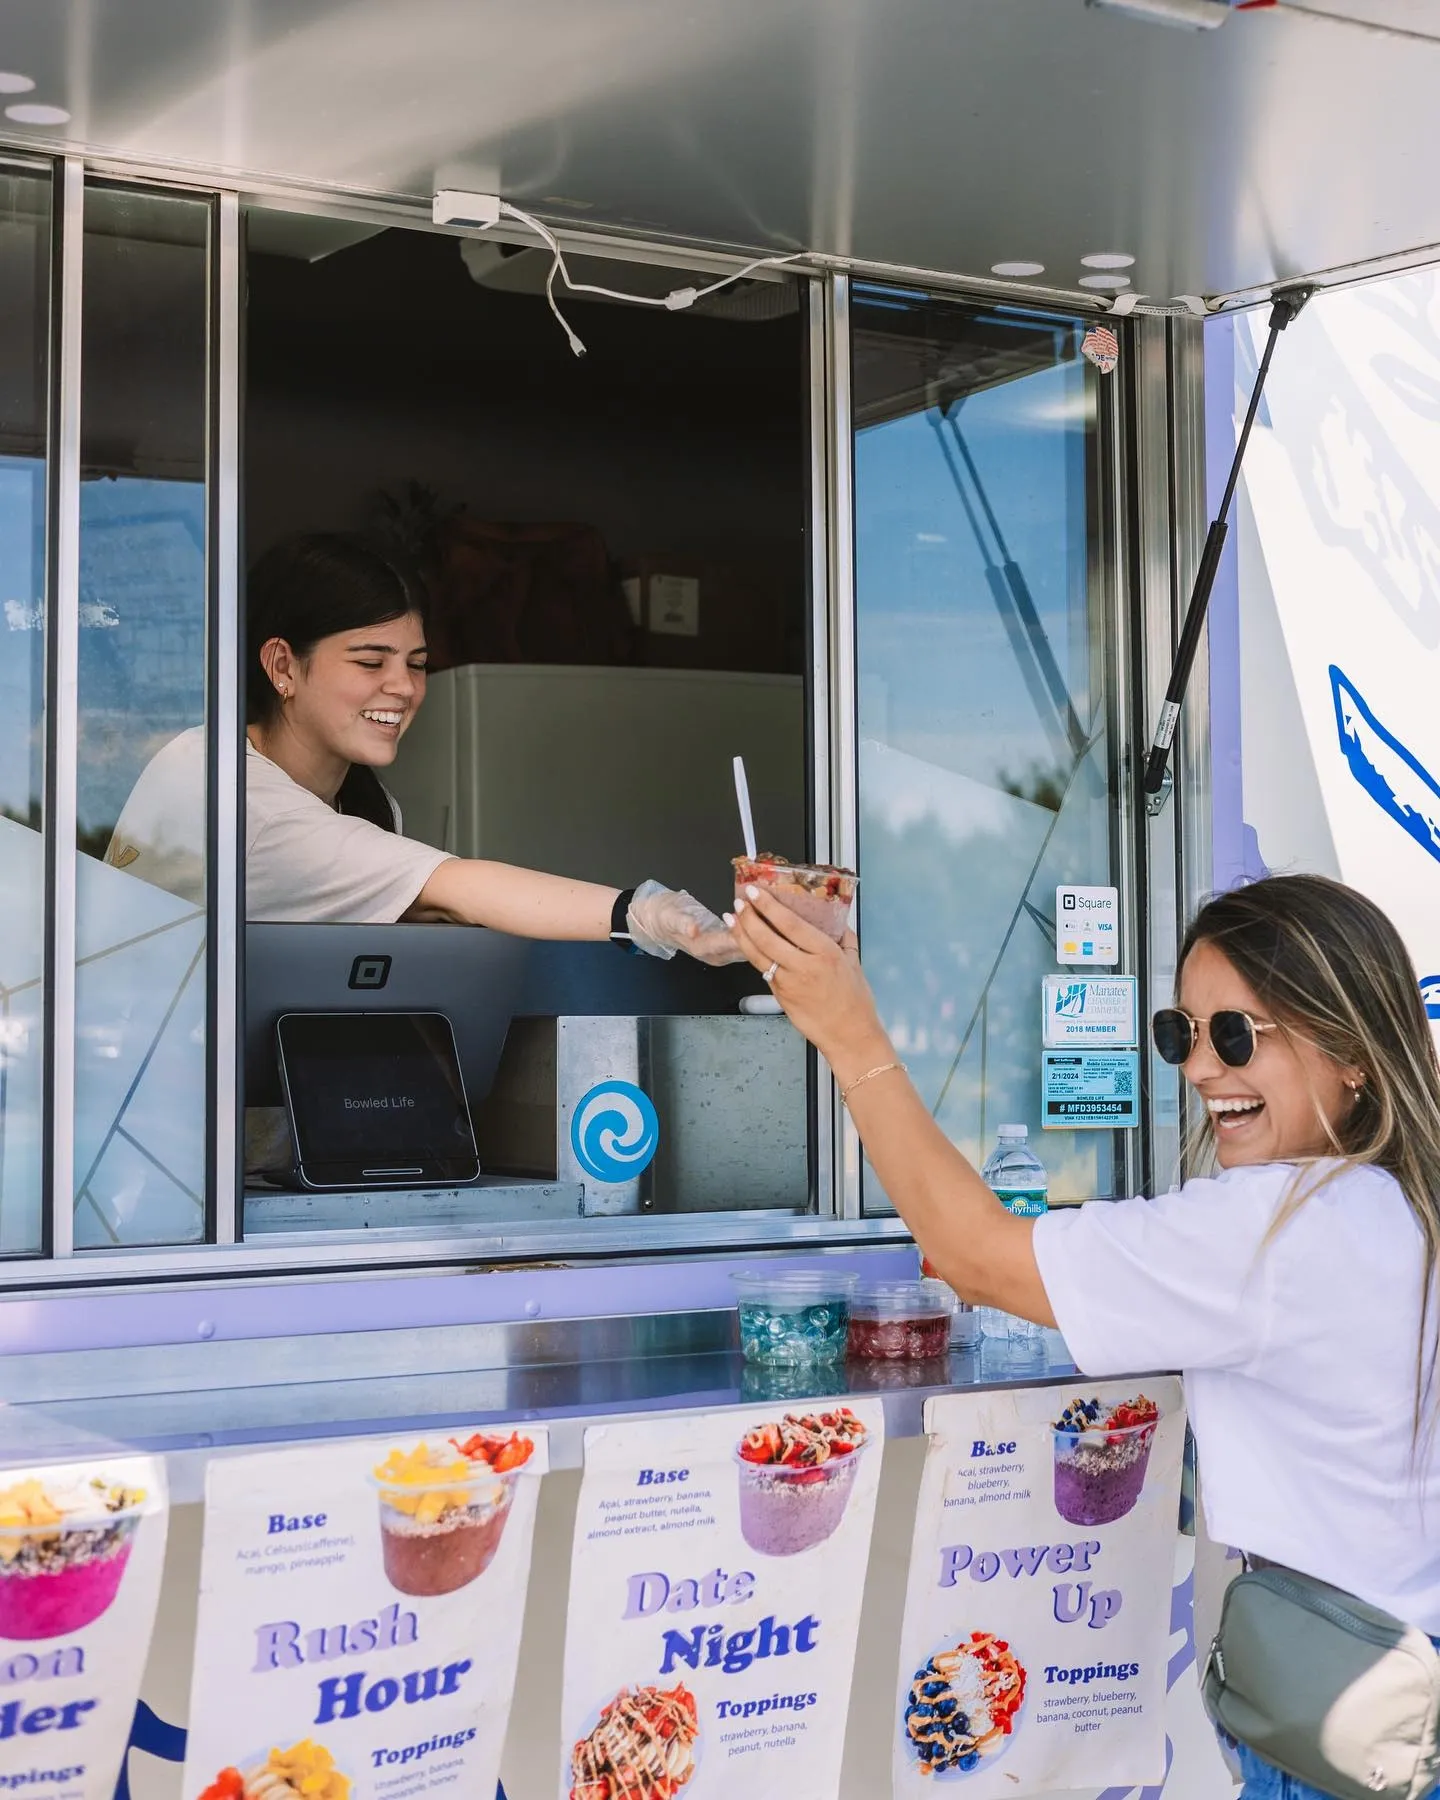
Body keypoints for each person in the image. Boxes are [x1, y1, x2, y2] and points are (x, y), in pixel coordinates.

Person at [729, 870, 1440, 1800]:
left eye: (1235, 1035)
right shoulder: (1397, 1204)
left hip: (1346, 1713)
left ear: (1351, 1055)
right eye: (1181, 1033)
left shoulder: (1278, 1228)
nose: (1197, 1069)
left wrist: (851, 1036)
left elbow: (973, 1255)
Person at [106, 533, 740, 964]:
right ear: (282, 666)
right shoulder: (227, 791)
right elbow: (455, 885)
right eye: (370, 660)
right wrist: (649, 914)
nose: (404, 688)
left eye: (416, 662)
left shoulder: (363, 800)